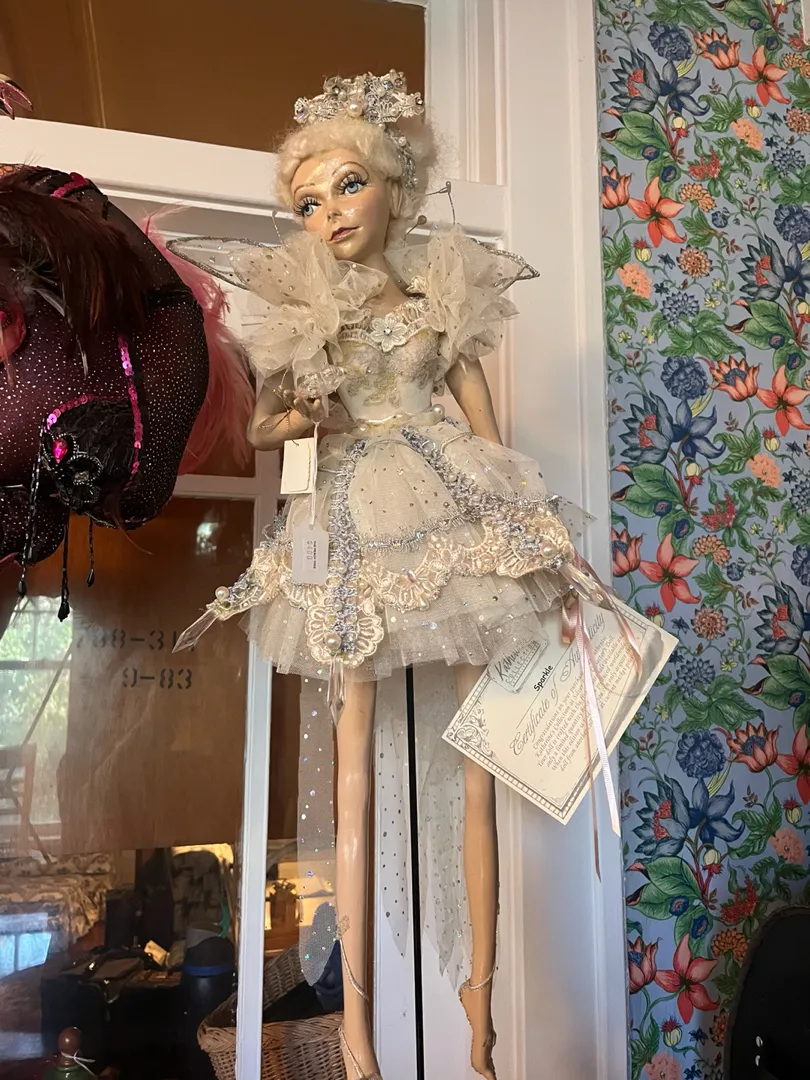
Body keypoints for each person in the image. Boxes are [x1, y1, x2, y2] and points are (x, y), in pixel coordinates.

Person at [174, 71, 594, 1080]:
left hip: (447, 503)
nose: (329, 214)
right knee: (353, 763)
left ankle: (481, 1005)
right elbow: (266, 426)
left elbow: (488, 436)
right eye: (308, 203)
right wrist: (306, 409)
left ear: (396, 187)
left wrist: (534, 538)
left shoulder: (440, 301)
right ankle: (357, 1031)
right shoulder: (304, 314)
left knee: (481, 755)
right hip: (352, 513)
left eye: (347, 185)